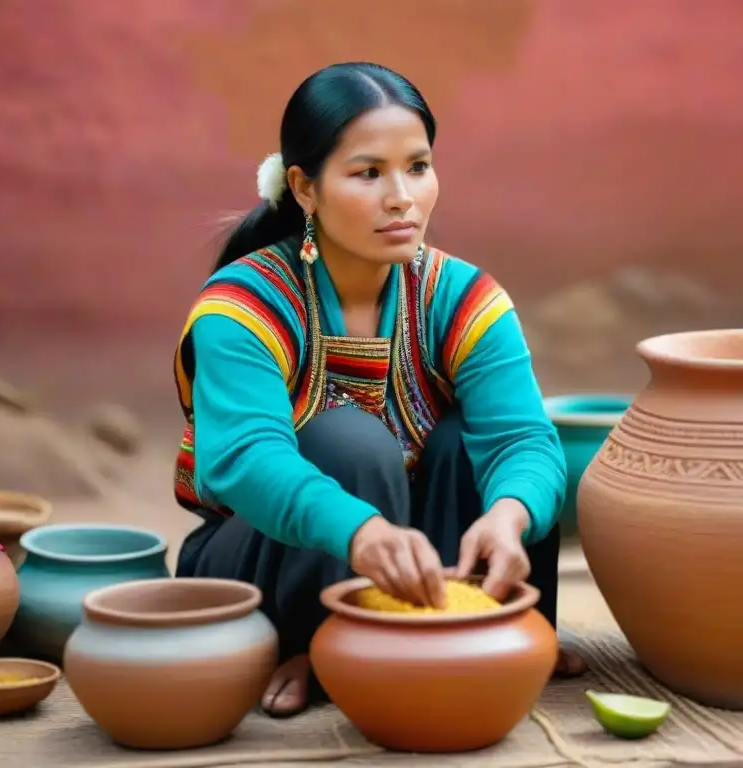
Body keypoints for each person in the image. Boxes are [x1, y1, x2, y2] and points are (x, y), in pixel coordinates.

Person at [171, 62, 587, 718]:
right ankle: (319, 642)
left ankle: (481, 625)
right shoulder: (243, 308)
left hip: (411, 561)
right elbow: (247, 461)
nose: (402, 197)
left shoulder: (462, 296)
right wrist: (361, 532)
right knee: (349, 442)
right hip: (254, 571)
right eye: (369, 173)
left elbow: (524, 438)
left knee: (470, 446)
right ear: (305, 188)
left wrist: (509, 516)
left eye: (418, 167)